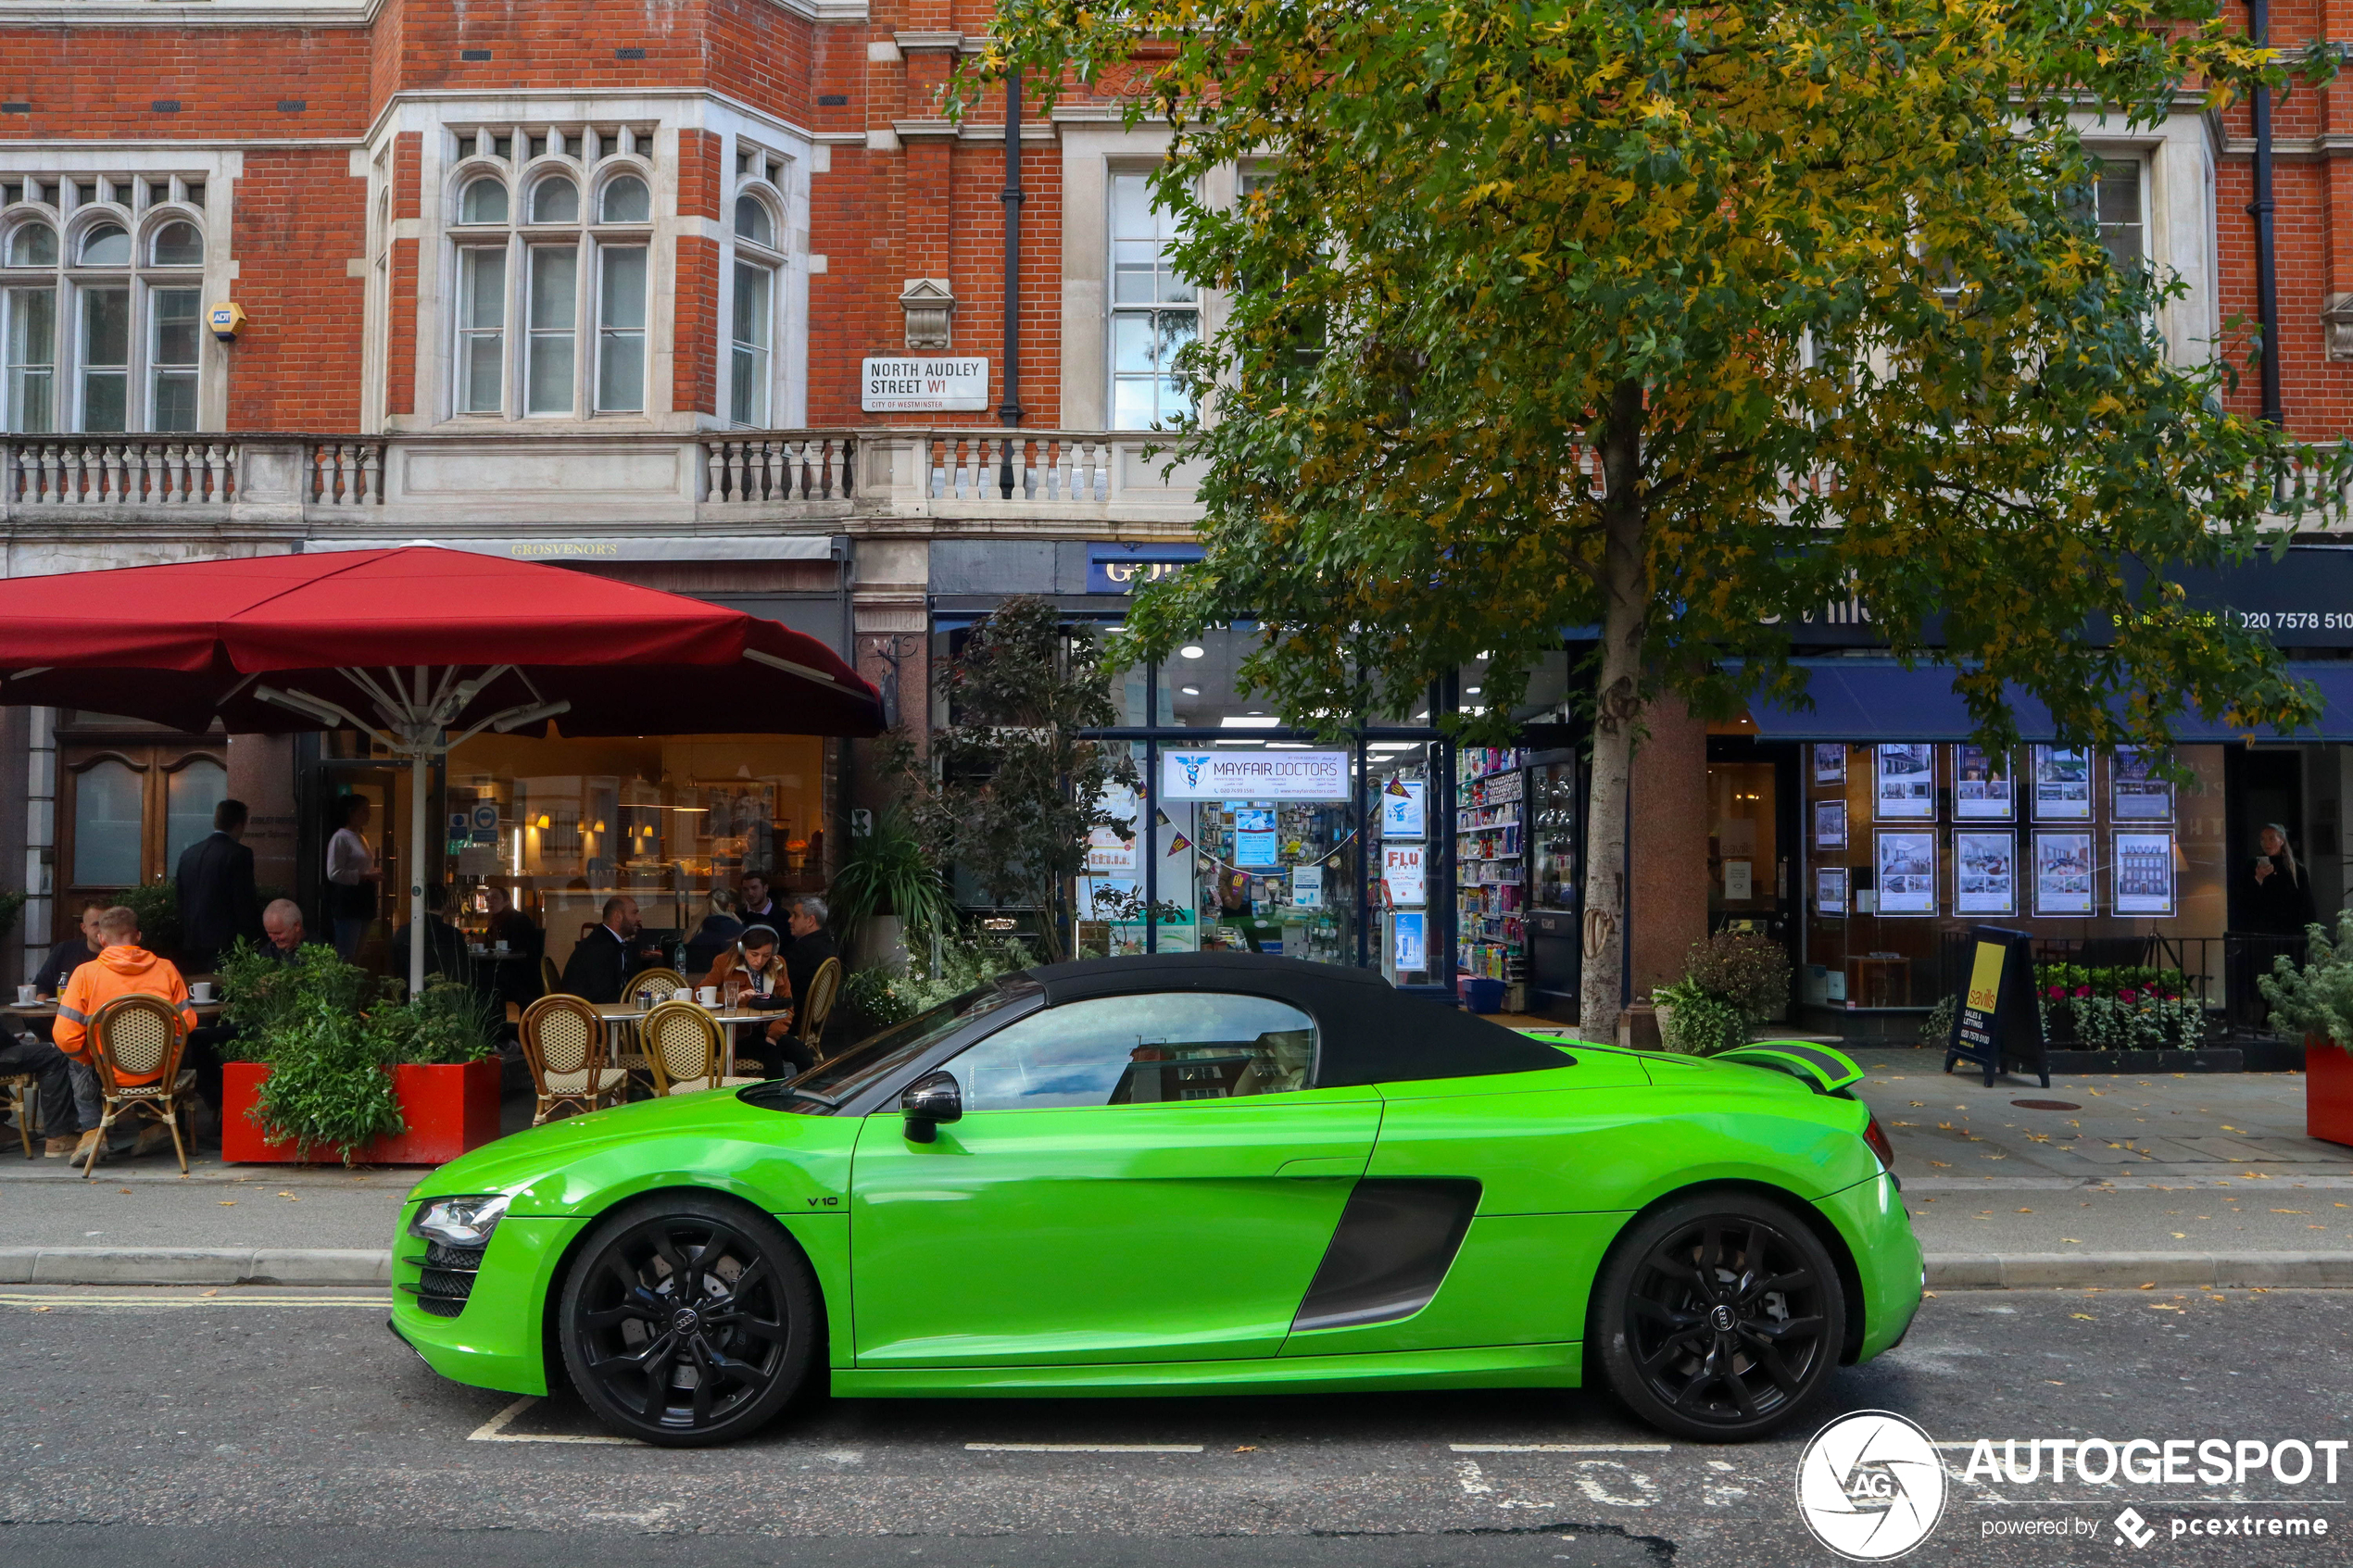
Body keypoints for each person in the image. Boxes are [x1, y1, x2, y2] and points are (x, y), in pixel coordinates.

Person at [52, 905, 198, 1169]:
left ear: (102, 939)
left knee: (76, 1059)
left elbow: (64, 1036)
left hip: (108, 1072)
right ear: (138, 937)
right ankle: (156, 1125)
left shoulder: (85, 974)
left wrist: (93, 1058)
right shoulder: (166, 969)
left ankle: (92, 1133)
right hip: (160, 1072)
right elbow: (188, 1023)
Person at [702, 925, 814, 1078]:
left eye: (766, 955)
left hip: (768, 1030)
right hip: (735, 1036)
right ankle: (774, 1098)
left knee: (803, 1053)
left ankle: (809, 1095)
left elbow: (787, 1006)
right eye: (754, 954)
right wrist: (733, 997)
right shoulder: (724, 962)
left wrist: (773, 1035)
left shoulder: (778, 964)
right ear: (743, 948)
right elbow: (699, 994)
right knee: (771, 1053)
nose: (759, 961)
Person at [175, 797, 263, 974]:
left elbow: (180, 898)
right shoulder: (239, 854)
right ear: (240, 824)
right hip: (226, 943)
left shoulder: (188, 853)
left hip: (192, 941)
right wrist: (253, 940)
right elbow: (243, 900)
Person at [560, 895, 646, 1005]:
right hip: (584, 1017)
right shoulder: (599, 948)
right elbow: (604, 998)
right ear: (618, 916)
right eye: (634, 913)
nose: (639, 918)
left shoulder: (609, 941)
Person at [326, 796, 381, 960]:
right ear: (351, 812)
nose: (368, 815)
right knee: (347, 954)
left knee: (358, 953)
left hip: (364, 899)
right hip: (349, 900)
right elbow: (333, 872)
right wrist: (364, 875)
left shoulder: (360, 837)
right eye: (364, 811)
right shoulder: (340, 838)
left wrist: (370, 872)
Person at [390, 884, 471, 988]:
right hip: (445, 995)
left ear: (420, 902)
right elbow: (463, 970)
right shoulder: (453, 935)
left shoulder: (403, 933)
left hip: (409, 993)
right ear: (445, 905)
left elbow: (396, 967)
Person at [2246, 822, 2317, 935]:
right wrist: (2258, 879)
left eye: (2271, 839)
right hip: (2262, 929)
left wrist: (2312, 932)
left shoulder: (2295, 869)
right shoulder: (2253, 866)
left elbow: (2306, 902)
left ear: (2281, 841)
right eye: (2263, 839)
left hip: (2290, 929)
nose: (2266, 843)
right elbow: (2245, 898)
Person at [780, 895, 839, 1010]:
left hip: (793, 1016)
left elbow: (776, 979)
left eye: (795, 915)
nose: (790, 920)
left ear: (810, 921)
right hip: (817, 1019)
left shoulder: (802, 950)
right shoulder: (828, 945)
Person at [684, 887, 744, 975]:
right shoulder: (739, 931)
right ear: (730, 907)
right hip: (733, 980)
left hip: (699, 983)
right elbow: (744, 957)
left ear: (707, 906)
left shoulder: (697, 931)